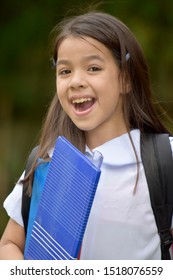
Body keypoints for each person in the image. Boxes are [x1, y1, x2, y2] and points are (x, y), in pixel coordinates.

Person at [0, 11, 173, 260]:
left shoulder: (163, 161)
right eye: (65, 71)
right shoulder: (47, 162)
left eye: (93, 68)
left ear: (126, 79)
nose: (75, 81)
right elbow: (9, 243)